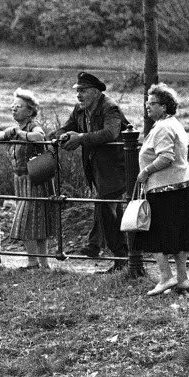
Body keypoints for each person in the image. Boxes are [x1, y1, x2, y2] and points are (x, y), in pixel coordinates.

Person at [53, 71, 132, 274]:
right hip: (97, 167)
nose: (79, 95)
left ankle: (121, 255)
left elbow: (110, 133)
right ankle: (113, 252)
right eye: (77, 91)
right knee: (107, 208)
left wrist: (80, 138)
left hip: (117, 166)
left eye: (83, 91)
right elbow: (63, 129)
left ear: (96, 92)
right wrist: (63, 137)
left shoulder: (110, 108)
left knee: (107, 209)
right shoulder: (80, 110)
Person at [134, 85, 189, 295]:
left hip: (163, 188)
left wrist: (145, 172)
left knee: (155, 232)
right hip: (182, 185)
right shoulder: (173, 124)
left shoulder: (162, 128)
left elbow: (166, 156)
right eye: (147, 103)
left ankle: (165, 277)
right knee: (179, 233)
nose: (147, 107)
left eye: (152, 103)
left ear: (164, 106)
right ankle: (182, 278)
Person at [0, 89, 59, 269]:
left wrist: (18, 133)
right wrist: (8, 133)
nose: (14, 109)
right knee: (31, 221)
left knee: (34, 220)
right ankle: (36, 261)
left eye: (19, 107)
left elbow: (40, 137)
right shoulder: (15, 129)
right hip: (21, 180)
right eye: (13, 106)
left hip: (35, 179)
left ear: (29, 111)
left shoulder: (31, 126)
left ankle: (40, 262)